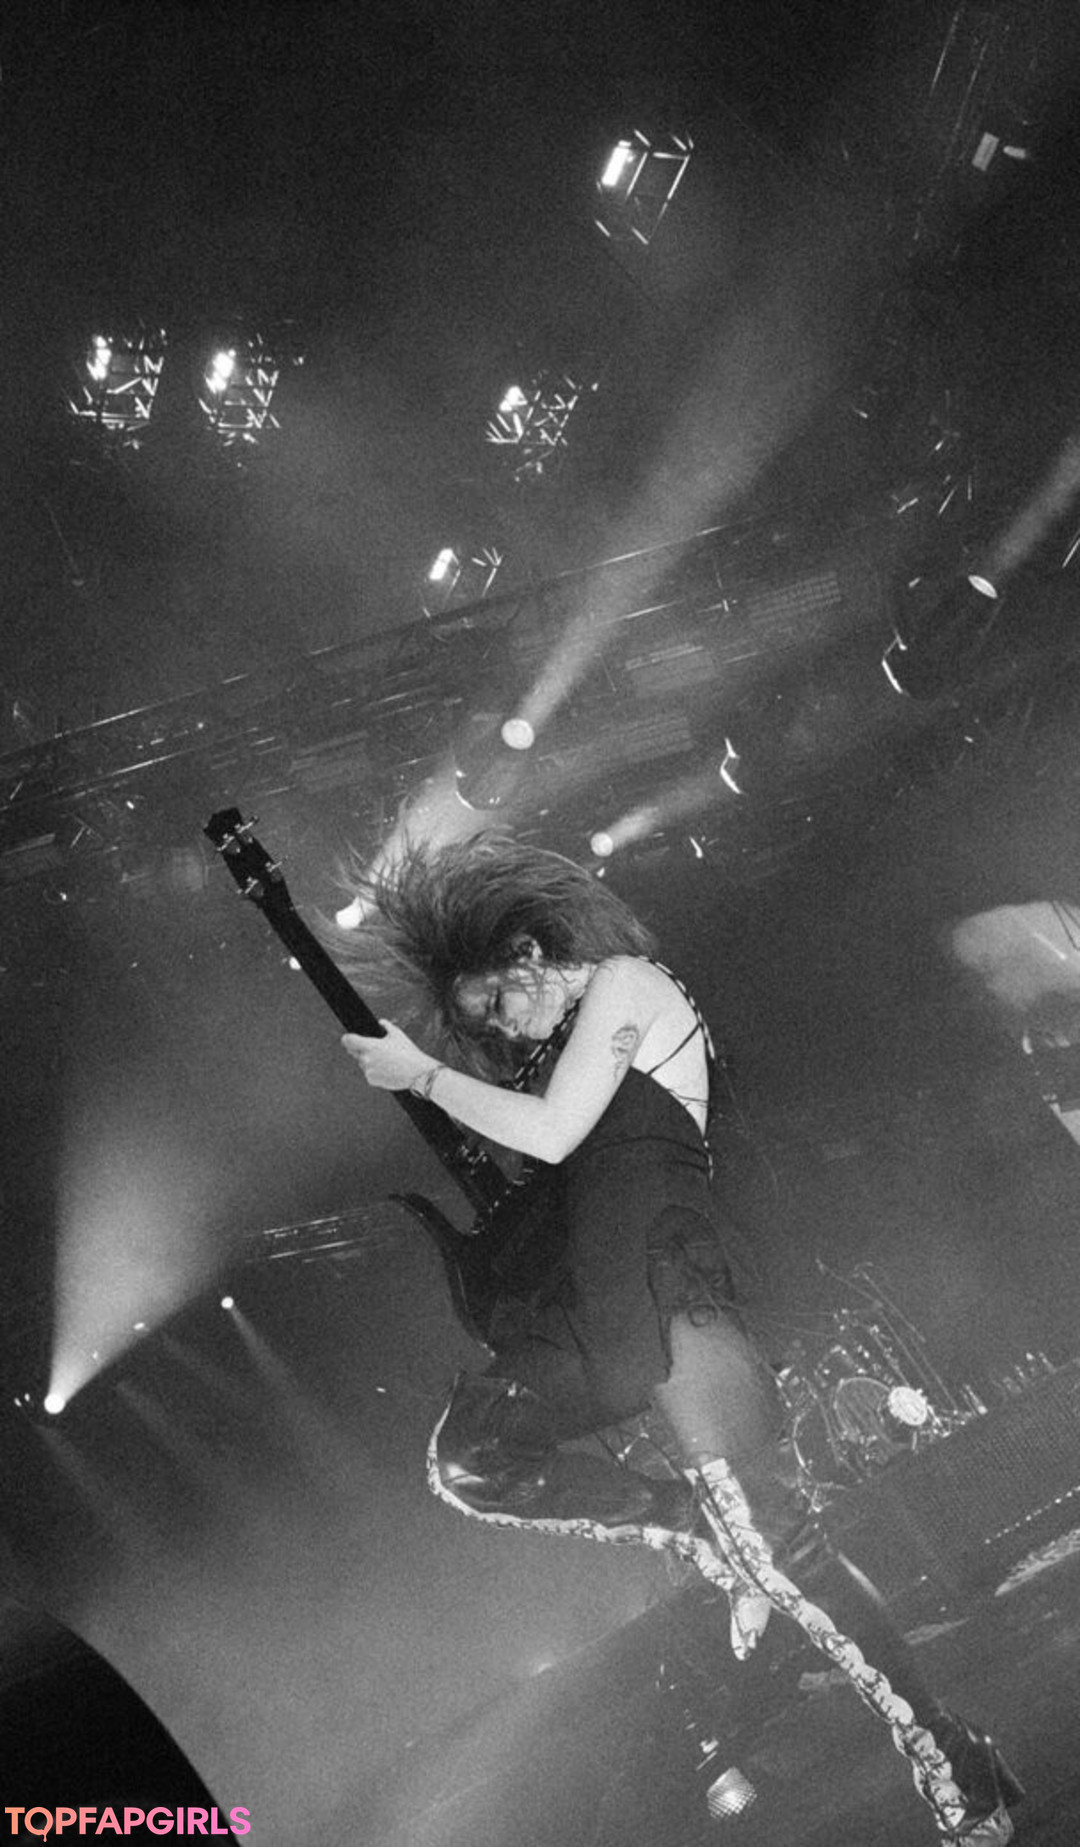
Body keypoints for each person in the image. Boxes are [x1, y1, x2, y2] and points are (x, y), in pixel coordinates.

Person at [336, 832, 1021, 1846]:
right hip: (598, 1319)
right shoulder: (556, 1054)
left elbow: (557, 1130)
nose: (504, 1027)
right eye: (484, 1026)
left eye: (500, 1001)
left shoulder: (628, 983)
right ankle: (698, 1529)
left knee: (787, 1552)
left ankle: (954, 1753)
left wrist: (422, 1073)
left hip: (675, 1292)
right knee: (472, 1455)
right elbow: (557, 1173)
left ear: (528, 952)